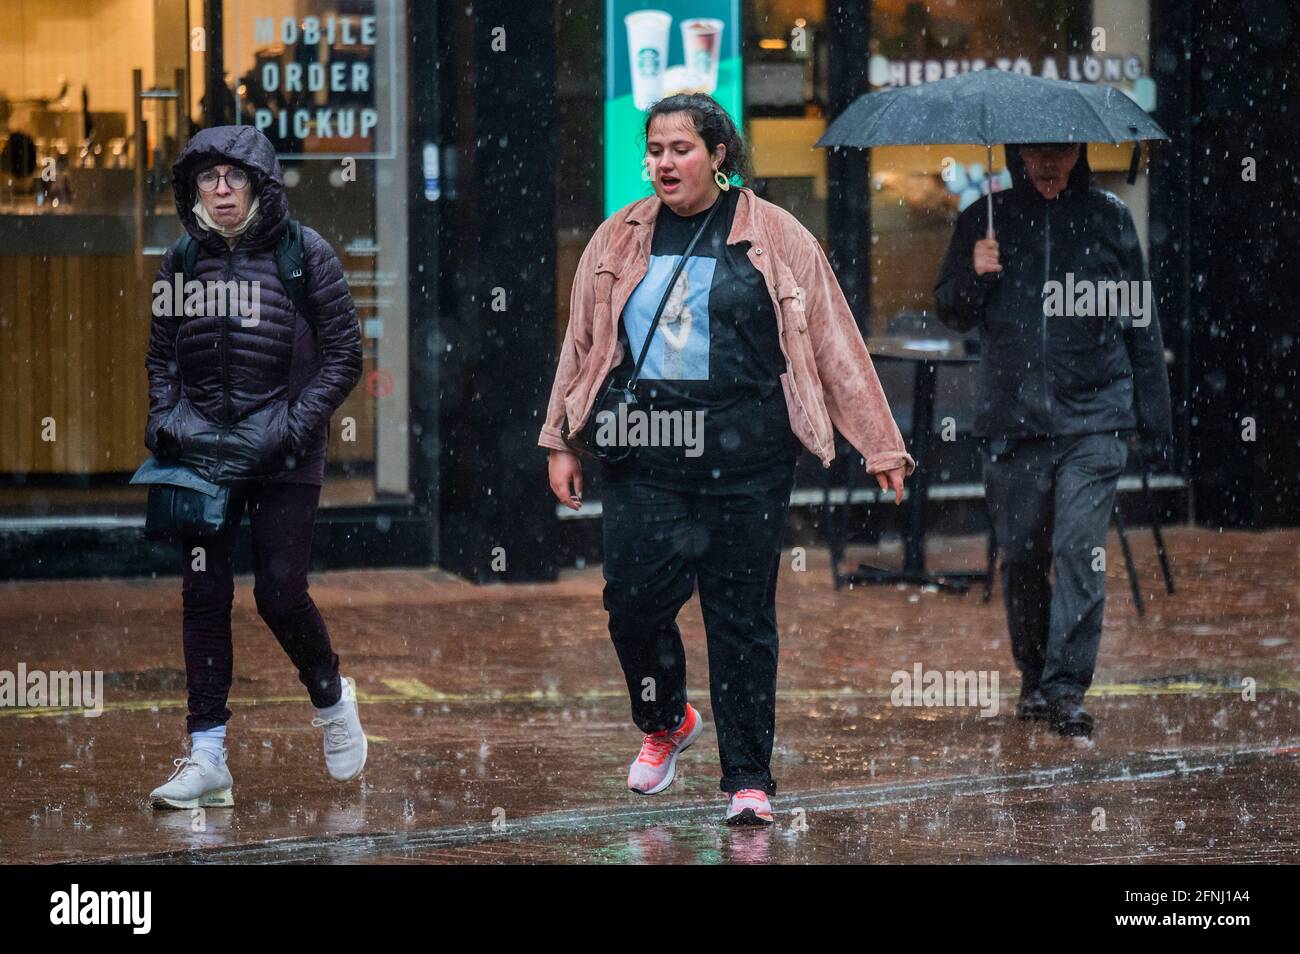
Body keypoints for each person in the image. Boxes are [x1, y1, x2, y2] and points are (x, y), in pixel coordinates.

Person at [539, 94, 913, 825]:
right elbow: (583, 345)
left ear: (718, 155)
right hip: (645, 453)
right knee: (633, 604)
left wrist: (879, 442)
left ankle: (749, 778)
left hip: (748, 455)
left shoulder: (775, 236)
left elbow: (833, 340)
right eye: (655, 150)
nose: (664, 163)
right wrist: (560, 439)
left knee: (740, 618)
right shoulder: (618, 239)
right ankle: (667, 720)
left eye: (681, 148)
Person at [143, 125, 366, 808]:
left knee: (278, 592)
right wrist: (168, 421)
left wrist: (293, 428)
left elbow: (344, 355)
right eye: (208, 178)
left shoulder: (307, 254)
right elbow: (161, 359)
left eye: (234, 177)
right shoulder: (181, 259)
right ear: (192, 189)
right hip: (204, 453)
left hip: (284, 456)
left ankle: (331, 699)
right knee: (204, 598)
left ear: (260, 183)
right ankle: (207, 755)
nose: (221, 190)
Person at [934, 142, 1173, 737]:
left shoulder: (1109, 218)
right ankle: (1034, 676)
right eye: (1038, 151)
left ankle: (1066, 688)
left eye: (1061, 151)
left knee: (1077, 550)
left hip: (1095, 418)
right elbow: (952, 311)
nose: (1048, 163)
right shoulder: (982, 219)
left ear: (1079, 154)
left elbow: (1140, 319)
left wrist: (1155, 415)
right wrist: (975, 274)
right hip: (1014, 422)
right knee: (1021, 558)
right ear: (1017, 153)